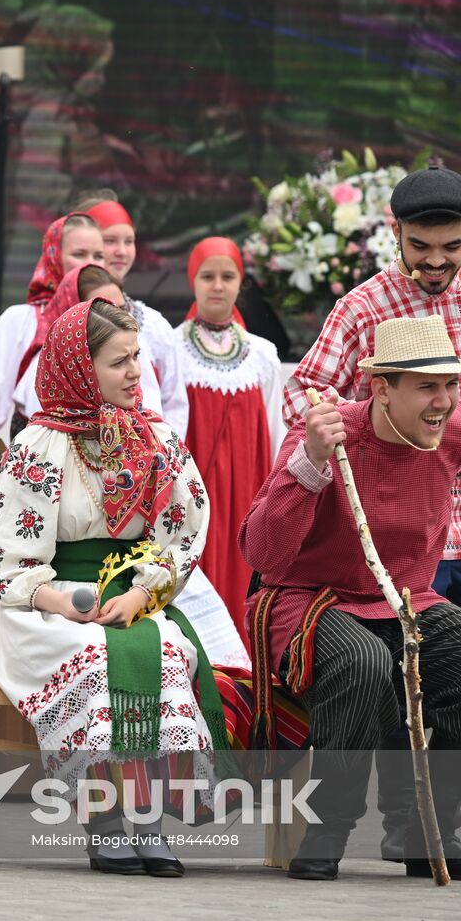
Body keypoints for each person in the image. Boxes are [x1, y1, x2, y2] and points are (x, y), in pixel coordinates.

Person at [283, 164, 461, 865]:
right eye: (420, 247)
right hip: (393, 509)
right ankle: (409, 827)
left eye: (451, 246)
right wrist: (358, 425)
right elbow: (304, 392)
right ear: (395, 236)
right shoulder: (364, 303)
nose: (435, 262)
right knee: (397, 662)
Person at [242, 315, 461, 881]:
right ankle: (326, 833)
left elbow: (451, 436)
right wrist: (311, 465)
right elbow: (262, 554)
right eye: (426, 387)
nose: (443, 402)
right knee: (364, 664)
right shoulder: (321, 435)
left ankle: (426, 832)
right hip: (309, 599)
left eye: (451, 386)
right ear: (381, 389)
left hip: (403, 599)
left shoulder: (456, 430)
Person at [0, 299, 232, 878]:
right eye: (119, 362)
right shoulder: (37, 449)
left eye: (137, 357)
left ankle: (147, 820)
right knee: (92, 658)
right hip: (46, 607)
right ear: (79, 368)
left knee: (165, 652)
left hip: (130, 596)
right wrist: (61, 600)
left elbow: (181, 535)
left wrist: (146, 594)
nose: (136, 372)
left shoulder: (156, 440)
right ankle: (103, 820)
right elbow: (2, 563)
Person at [176, 237, 284, 637]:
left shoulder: (262, 354)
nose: (217, 285)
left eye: (227, 276)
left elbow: (275, 425)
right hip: (193, 488)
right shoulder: (172, 349)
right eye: (208, 276)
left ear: (241, 282)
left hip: (247, 489)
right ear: (193, 281)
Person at [0, 211, 103, 439]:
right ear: (54, 258)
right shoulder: (20, 321)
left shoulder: (119, 323)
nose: (91, 264)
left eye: (99, 255)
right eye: (80, 254)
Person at [83, 197, 188, 437]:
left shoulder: (154, 324)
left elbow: (174, 400)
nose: (121, 251)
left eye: (129, 241)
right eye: (110, 241)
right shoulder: (68, 320)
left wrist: (167, 449)